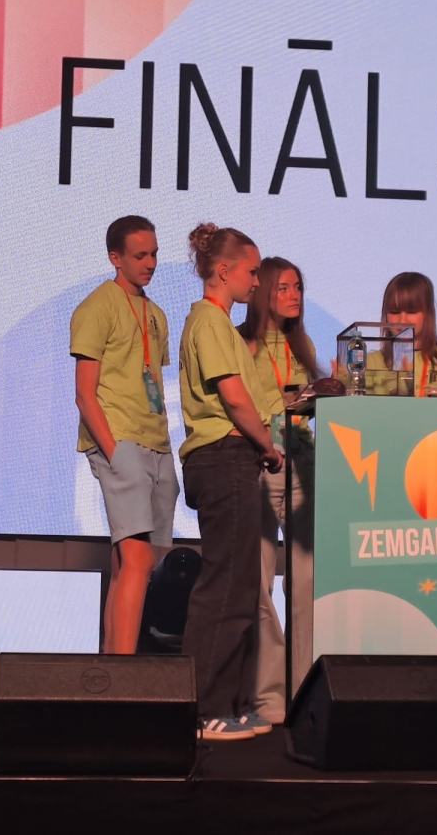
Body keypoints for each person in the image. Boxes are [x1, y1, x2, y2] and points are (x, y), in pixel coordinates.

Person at [178, 222, 281, 741]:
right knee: (224, 585)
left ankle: (232, 704)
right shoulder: (209, 321)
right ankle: (203, 709)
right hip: (224, 457)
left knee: (240, 585)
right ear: (223, 271)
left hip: (231, 458)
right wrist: (268, 445)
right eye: (252, 271)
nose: (257, 281)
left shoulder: (219, 324)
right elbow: (235, 398)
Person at [70, 215, 179, 654]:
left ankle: (110, 665)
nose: (150, 263)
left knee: (130, 561)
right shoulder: (97, 307)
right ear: (115, 258)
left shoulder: (156, 313)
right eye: (139, 255)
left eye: (154, 254)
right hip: (120, 439)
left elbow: (151, 382)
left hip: (156, 442)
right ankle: (124, 671)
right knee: (137, 558)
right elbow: (84, 393)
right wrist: (113, 452)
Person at [236, 257, 320, 721]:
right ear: (263, 291)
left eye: (298, 286)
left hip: (304, 464)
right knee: (259, 582)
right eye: (284, 287)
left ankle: (306, 692)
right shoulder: (242, 343)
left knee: (307, 583)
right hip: (261, 464)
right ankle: (268, 696)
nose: (294, 295)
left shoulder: (302, 344)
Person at [366, 271, 437, 397]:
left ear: (428, 313)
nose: (402, 320)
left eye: (411, 312)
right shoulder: (368, 363)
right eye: (394, 312)